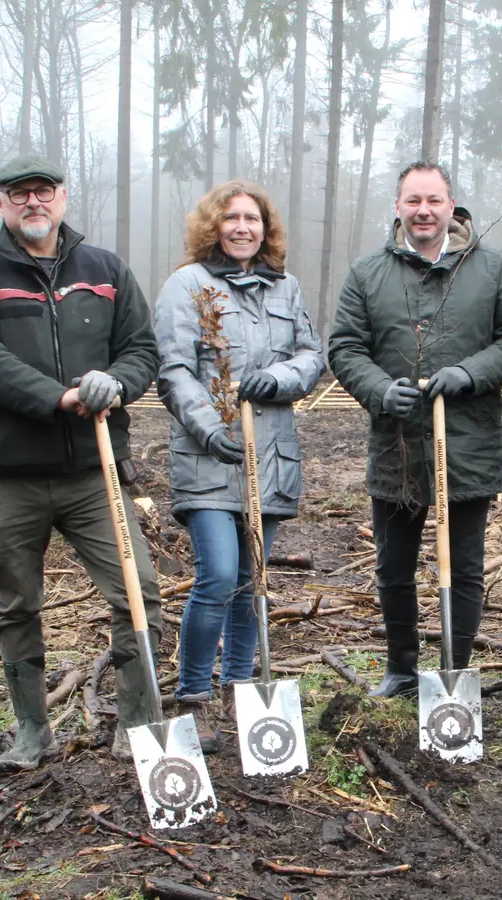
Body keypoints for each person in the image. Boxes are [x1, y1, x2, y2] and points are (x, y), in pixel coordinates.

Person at [0, 155, 162, 773]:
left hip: (94, 473)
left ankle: (140, 725)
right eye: (19, 194)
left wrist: (114, 383)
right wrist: (59, 397)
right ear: (1, 205)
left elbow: (142, 349)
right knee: (17, 604)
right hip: (9, 476)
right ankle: (32, 731)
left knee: (138, 594)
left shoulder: (105, 270)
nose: (33, 202)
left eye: (44, 191)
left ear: (63, 197)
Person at [327, 162, 502, 697]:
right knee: (394, 566)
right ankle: (400, 667)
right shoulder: (369, 272)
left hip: (468, 441)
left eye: (433, 200)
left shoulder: (489, 268)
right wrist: (376, 389)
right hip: (397, 444)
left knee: (464, 566)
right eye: (413, 200)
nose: (423, 210)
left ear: (450, 205)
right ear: (398, 206)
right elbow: (345, 346)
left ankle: (454, 670)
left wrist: (470, 372)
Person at [152, 181, 324, 751]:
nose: (243, 227)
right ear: (213, 226)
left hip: (270, 455)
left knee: (253, 580)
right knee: (220, 575)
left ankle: (241, 689)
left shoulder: (285, 285)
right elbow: (174, 369)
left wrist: (278, 379)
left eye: (253, 218)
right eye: (231, 218)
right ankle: (195, 695)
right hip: (209, 455)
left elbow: (310, 355)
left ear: (265, 228)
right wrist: (208, 426)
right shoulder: (187, 285)